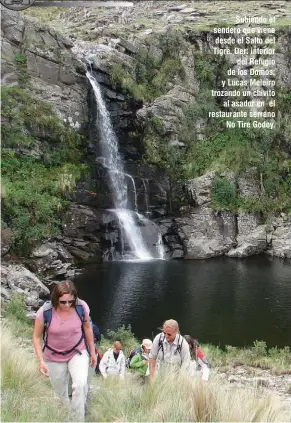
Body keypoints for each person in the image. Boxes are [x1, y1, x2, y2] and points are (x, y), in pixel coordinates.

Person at [32, 280, 97, 421]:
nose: (67, 305)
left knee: (80, 384)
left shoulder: (81, 307)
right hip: (53, 357)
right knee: (61, 396)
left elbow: (87, 328)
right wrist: (41, 361)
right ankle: (67, 417)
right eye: (63, 302)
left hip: (77, 352)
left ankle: (77, 420)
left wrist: (92, 352)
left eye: (70, 301)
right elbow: (36, 338)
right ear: (56, 299)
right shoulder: (45, 312)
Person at [149, 319, 190, 383]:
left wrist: (181, 382)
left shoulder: (183, 344)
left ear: (176, 332)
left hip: (176, 379)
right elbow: (152, 358)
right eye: (164, 333)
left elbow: (186, 365)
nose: (166, 336)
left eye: (169, 334)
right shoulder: (158, 339)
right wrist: (152, 379)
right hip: (160, 377)